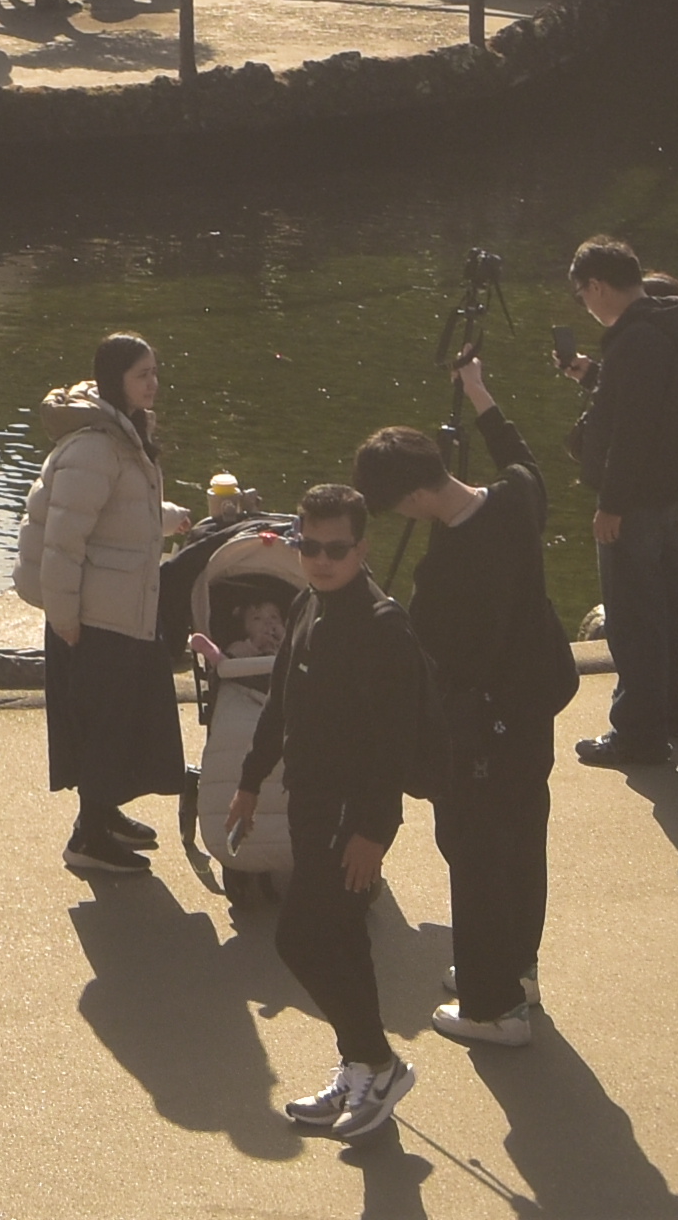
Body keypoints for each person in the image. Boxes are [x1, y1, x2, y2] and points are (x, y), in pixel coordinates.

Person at [360, 352, 572, 1048]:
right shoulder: (514, 498)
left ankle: (491, 1007)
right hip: (533, 706)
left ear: (415, 499)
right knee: (522, 840)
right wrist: (482, 395)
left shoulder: (449, 567)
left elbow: (432, 660)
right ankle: (516, 972)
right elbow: (526, 460)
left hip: (482, 725)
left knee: (476, 854)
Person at [226, 481, 441, 1143]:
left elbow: (396, 743)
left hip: (353, 817)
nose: (320, 559)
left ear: (362, 547)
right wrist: (251, 780)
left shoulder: (382, 627)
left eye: (335, 549)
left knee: (301, 939)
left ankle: (381, 1061)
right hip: (309, 804)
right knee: (345, 943)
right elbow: (282, 704)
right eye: (309, 545)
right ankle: (359, 1068)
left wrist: (374, 831)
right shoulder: (308, 606)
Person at [18, 328, 188, 878]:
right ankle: (88, 837)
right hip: (93, 619)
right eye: (143, 375)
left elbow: (122, 519)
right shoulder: (95, 445)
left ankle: (105, 816)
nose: (153, 384)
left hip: (120, 611)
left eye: (155, 373)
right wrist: (65, 620)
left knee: (120, 722)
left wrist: (175, 521)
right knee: (103, 725)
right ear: (116, 378)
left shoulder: (122, 436)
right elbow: (63, 543)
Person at [560, 234, 678, 766]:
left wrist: (612, 504)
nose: (586, 305)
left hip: (637, 499)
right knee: (670, 605)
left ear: (599, 286)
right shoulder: (670, 327)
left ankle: (637, 731)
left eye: (584, 293)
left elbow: (631, 432)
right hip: (671, 491)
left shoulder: (635, 342)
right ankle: (677, 710)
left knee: (633, 616)